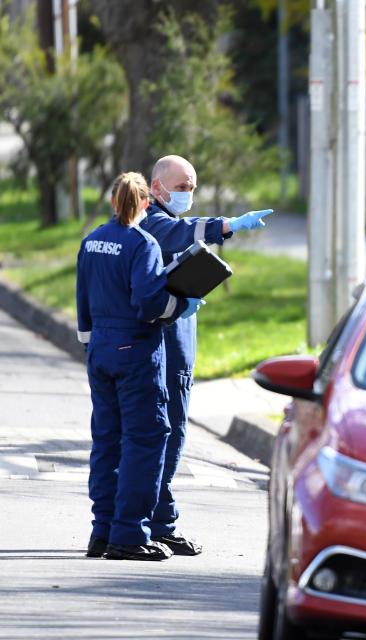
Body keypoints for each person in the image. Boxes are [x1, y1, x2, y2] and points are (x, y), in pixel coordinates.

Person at [138, 154, 273, 555]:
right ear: (156, 187)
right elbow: (183, 233)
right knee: (164, 432)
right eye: (181, 187)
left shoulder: (159, 220)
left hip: (176, 345)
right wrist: (232, 225)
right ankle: (155, 521)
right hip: (163, 347)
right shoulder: (151, 221)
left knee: (169, 433)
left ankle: (154, 519)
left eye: (192, 187)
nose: (188, 194)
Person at [76, 172, 203, 561]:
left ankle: (103, 530)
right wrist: (184, 304)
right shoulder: (142, 243)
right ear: (146, 204)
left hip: (100, 348)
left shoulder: (92, 239)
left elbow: (82, 297)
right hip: (136, 352)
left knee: (107, 440)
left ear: (114, 202)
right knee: (145, 440)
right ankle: (130, 535)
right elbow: (151, 304)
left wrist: (90, 343)